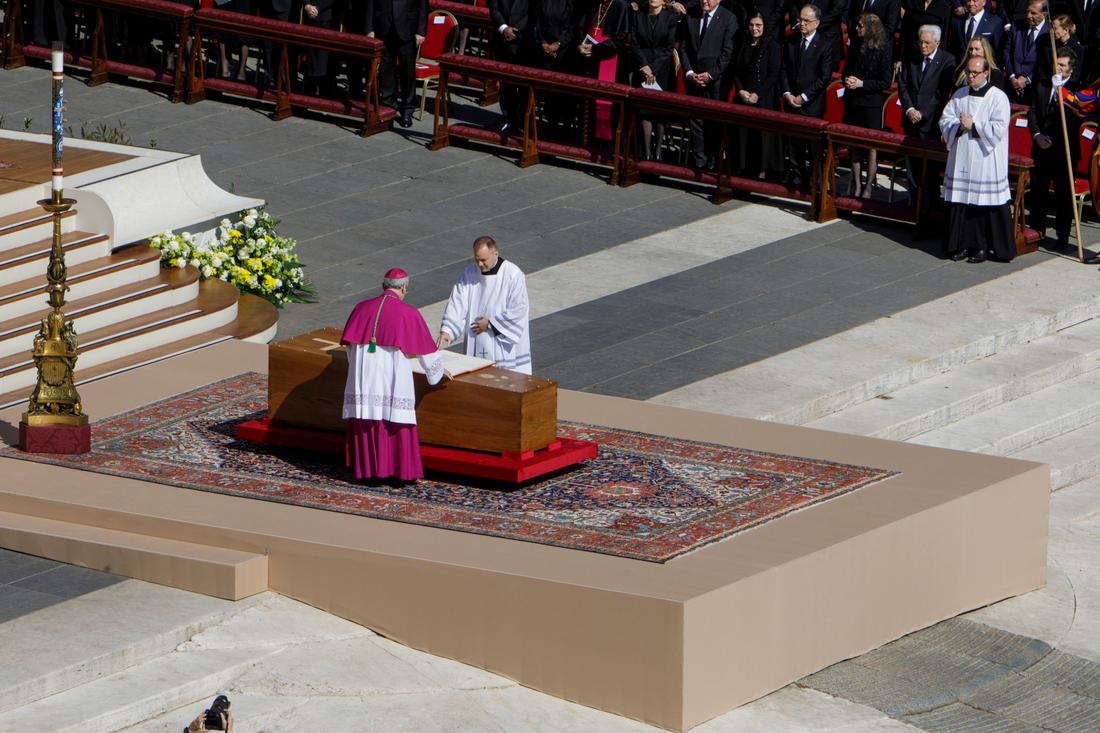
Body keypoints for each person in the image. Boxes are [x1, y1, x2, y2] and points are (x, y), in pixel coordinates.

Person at [341, 268, 449, 482]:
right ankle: (399, 472)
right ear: (403, 288)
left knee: (367, 415)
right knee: (393, 417)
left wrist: (359, 369)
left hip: (364, 375)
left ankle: (369, 471)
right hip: (391, 374)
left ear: (384, 286)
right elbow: (425, 350)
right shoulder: (408, 313)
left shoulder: (361, 308)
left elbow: (350, 349)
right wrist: (437, 371)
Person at [941, 56, 1015, 262]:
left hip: (985, 158)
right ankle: (960, 245)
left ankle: (981, 247)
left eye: (975, 73)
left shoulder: (998, 97)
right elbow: (945, 120)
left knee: (980, 204)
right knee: (961, 203)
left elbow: (999, 128)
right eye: (969, 72)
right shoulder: (959, 94)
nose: (971, 76)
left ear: (985, 73)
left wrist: (973, 124)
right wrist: (958, 125)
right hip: (962, 156)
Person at [439, 237, 532, 374]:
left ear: (496, 254)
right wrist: (447, 330)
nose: (480, 264)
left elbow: (519, 310)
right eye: (476, 260)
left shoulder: (513, 274)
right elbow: (457, 302)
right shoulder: (469, 273)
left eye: (483, 260)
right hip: (476, 340)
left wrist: (490, 324)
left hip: (503, 346)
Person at [1028, 49, 1081, 249]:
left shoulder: (1076, 90)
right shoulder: (1042, 84)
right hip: (1041, 147)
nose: (1058, 68)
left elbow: (1073, 119)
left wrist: (1062, 95)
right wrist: (1036, 135)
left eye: (1063, 65)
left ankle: (1062, 235)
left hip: (1063, 150)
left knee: (1063, 195)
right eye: (1057, 63)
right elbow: (1032, 110)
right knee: (1038, 191)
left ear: (1071, 68)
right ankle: (1036, 230)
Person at [677, 0, 738, 170]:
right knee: (695, 120)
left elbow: (728, 53)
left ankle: (713, 160)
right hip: (693, 77)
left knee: (713, 121)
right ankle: (699, 160)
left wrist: (711, 75)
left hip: (716, 81)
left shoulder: (729, 18)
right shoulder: (692, 15)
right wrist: (689, 72)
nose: (705, 1)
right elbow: (684, 47)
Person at [898, 25, 956, 201]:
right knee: (911, 164)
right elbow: (903, 85)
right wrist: (909, 109)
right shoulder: (912, 56)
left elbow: (941, 92)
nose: (923, 46)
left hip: (930, 122)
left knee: (928, 166)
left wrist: (923, 112)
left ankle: (929, 202)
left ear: (937, 42)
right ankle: (913, 200)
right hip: (910, 119)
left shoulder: (947, 60)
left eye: (927, 43)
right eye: (921, 42)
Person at [781, 4, 834, 185]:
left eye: (806, 21)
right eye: (800, 20)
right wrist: (788, 93)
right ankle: (797, 177)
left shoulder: (825, 44)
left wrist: (803, 96)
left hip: (812, 104)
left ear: (816, 23)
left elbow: (824, 77)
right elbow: (784, 70)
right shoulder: (791, 40)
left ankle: (815, 180)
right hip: (791, 101)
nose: (802, 24)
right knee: (794, 143)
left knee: (812, 147)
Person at [843, 13, 894, 197]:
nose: (857, 29)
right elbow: (847, 70)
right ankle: (857, 185)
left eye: (861, 26)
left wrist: (862, 83)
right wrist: (847, 80)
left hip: (871, 103)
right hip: (853, 101)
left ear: (871, 28)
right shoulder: (856, 46)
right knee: (854, 145)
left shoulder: (883, 49)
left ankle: (868, 187)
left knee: (872, 146)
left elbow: (885, 81)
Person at [731, 13, 782, 178]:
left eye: (758, 25)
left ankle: (760, 170)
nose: (755, 28)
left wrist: (757, 94)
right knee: (742, 134)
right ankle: (741, 168)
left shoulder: (772, 45)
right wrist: (740, 90)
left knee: (760, 136)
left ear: (765, 26)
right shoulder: (743, 43)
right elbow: (735, 71)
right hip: (743, 95)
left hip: (763, 97)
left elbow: (774, 75)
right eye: (752, 25)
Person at [366, 0, 429, 127]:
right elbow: (371, 3)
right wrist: (369, 28)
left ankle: (407, 109)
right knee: (386, 69)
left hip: (408, 28)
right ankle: (388, 104)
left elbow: (423, 5)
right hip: (384, 27)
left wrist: (421, 31)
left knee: (407, 72)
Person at [632, 0, 681, 158]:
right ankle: (646, 152)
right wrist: (644, 66)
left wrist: (653, 68)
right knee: (645, 111)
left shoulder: (670, 17)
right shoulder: (639, 15)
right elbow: (635, 42)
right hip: (641, 67)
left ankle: (658, 152)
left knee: (659, 112)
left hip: (661, 69)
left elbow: (669, 47)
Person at [488, 0, 529, 132]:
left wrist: (516, 32)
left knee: (524, 87)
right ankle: (508, 118)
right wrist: (504, 28)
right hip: (502, 39)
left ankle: (523, 122)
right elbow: (494, 8)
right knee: (506, 85)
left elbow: (534, 11)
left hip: (524, 41)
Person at [1002, 0, 1051, 103]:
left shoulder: (1049, 32)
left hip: (1034, 88)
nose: (1028, 16)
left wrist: (1028, 79)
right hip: (1012, 85)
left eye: (1033, 13)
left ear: (1044, 14)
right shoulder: (1017, 26)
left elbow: (1045, 63)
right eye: (1027, 11)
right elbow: (1007, 52)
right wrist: (1012, 77)